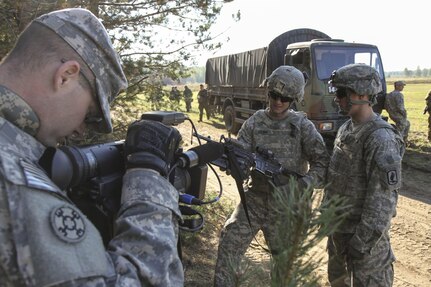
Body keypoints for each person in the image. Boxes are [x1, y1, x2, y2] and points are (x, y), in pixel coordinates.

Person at [0, 8, 184, 286]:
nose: (81, 129)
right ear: (66, 75)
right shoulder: (16, 187)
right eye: (91, 114)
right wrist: (149, 181)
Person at [213, 66, 330, 286]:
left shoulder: (302, 126)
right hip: (255, 198)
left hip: (286, 205)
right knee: (229, 243)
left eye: (284, 98)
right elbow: (242, 152)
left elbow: (322, 163)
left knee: (284, 264)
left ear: (294, 99)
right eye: (274, 95)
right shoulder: (256, 121)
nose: (278, 102)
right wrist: (234, 161)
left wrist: (302, 185)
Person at [325, 64, 404, 287]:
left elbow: (382, 203)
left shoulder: (380, 138)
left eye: (341, 93)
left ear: (362, 93)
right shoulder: (346, 129)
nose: (337, 99)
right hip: (339, 236)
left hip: (366, 250)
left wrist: (360, 244)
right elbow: (336, 180)